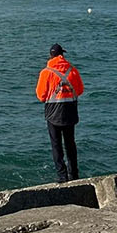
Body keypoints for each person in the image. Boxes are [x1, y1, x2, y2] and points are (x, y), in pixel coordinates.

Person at [35, 43, 84, 183]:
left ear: (51, 56)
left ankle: (62, 177)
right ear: (62, 55)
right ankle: (74, 174)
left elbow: (41, 96)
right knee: (70, 144)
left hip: (53, 113)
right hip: (70, 111)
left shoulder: (46, 72)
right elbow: (80, 90)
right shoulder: (73, 71)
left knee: (56, 145)